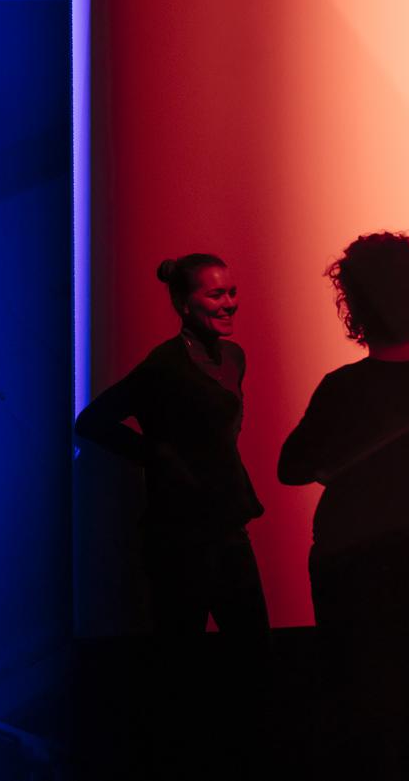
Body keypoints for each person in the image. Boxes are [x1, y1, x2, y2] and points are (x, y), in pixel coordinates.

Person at [278, 231, 409, 780]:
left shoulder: (341, 387)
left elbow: (290, 468)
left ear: (353, 301)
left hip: (348, 560)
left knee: (356, 697)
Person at [75, 252, 269, 635]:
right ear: (183, 304)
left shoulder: (233, 357)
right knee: (182, 651)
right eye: (216, 294)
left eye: (231, 292)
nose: (229, 303)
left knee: (253, 648)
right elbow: (91, 421)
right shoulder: (164, 367)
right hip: (179, 535)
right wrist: (157, 455)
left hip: (228, 526)